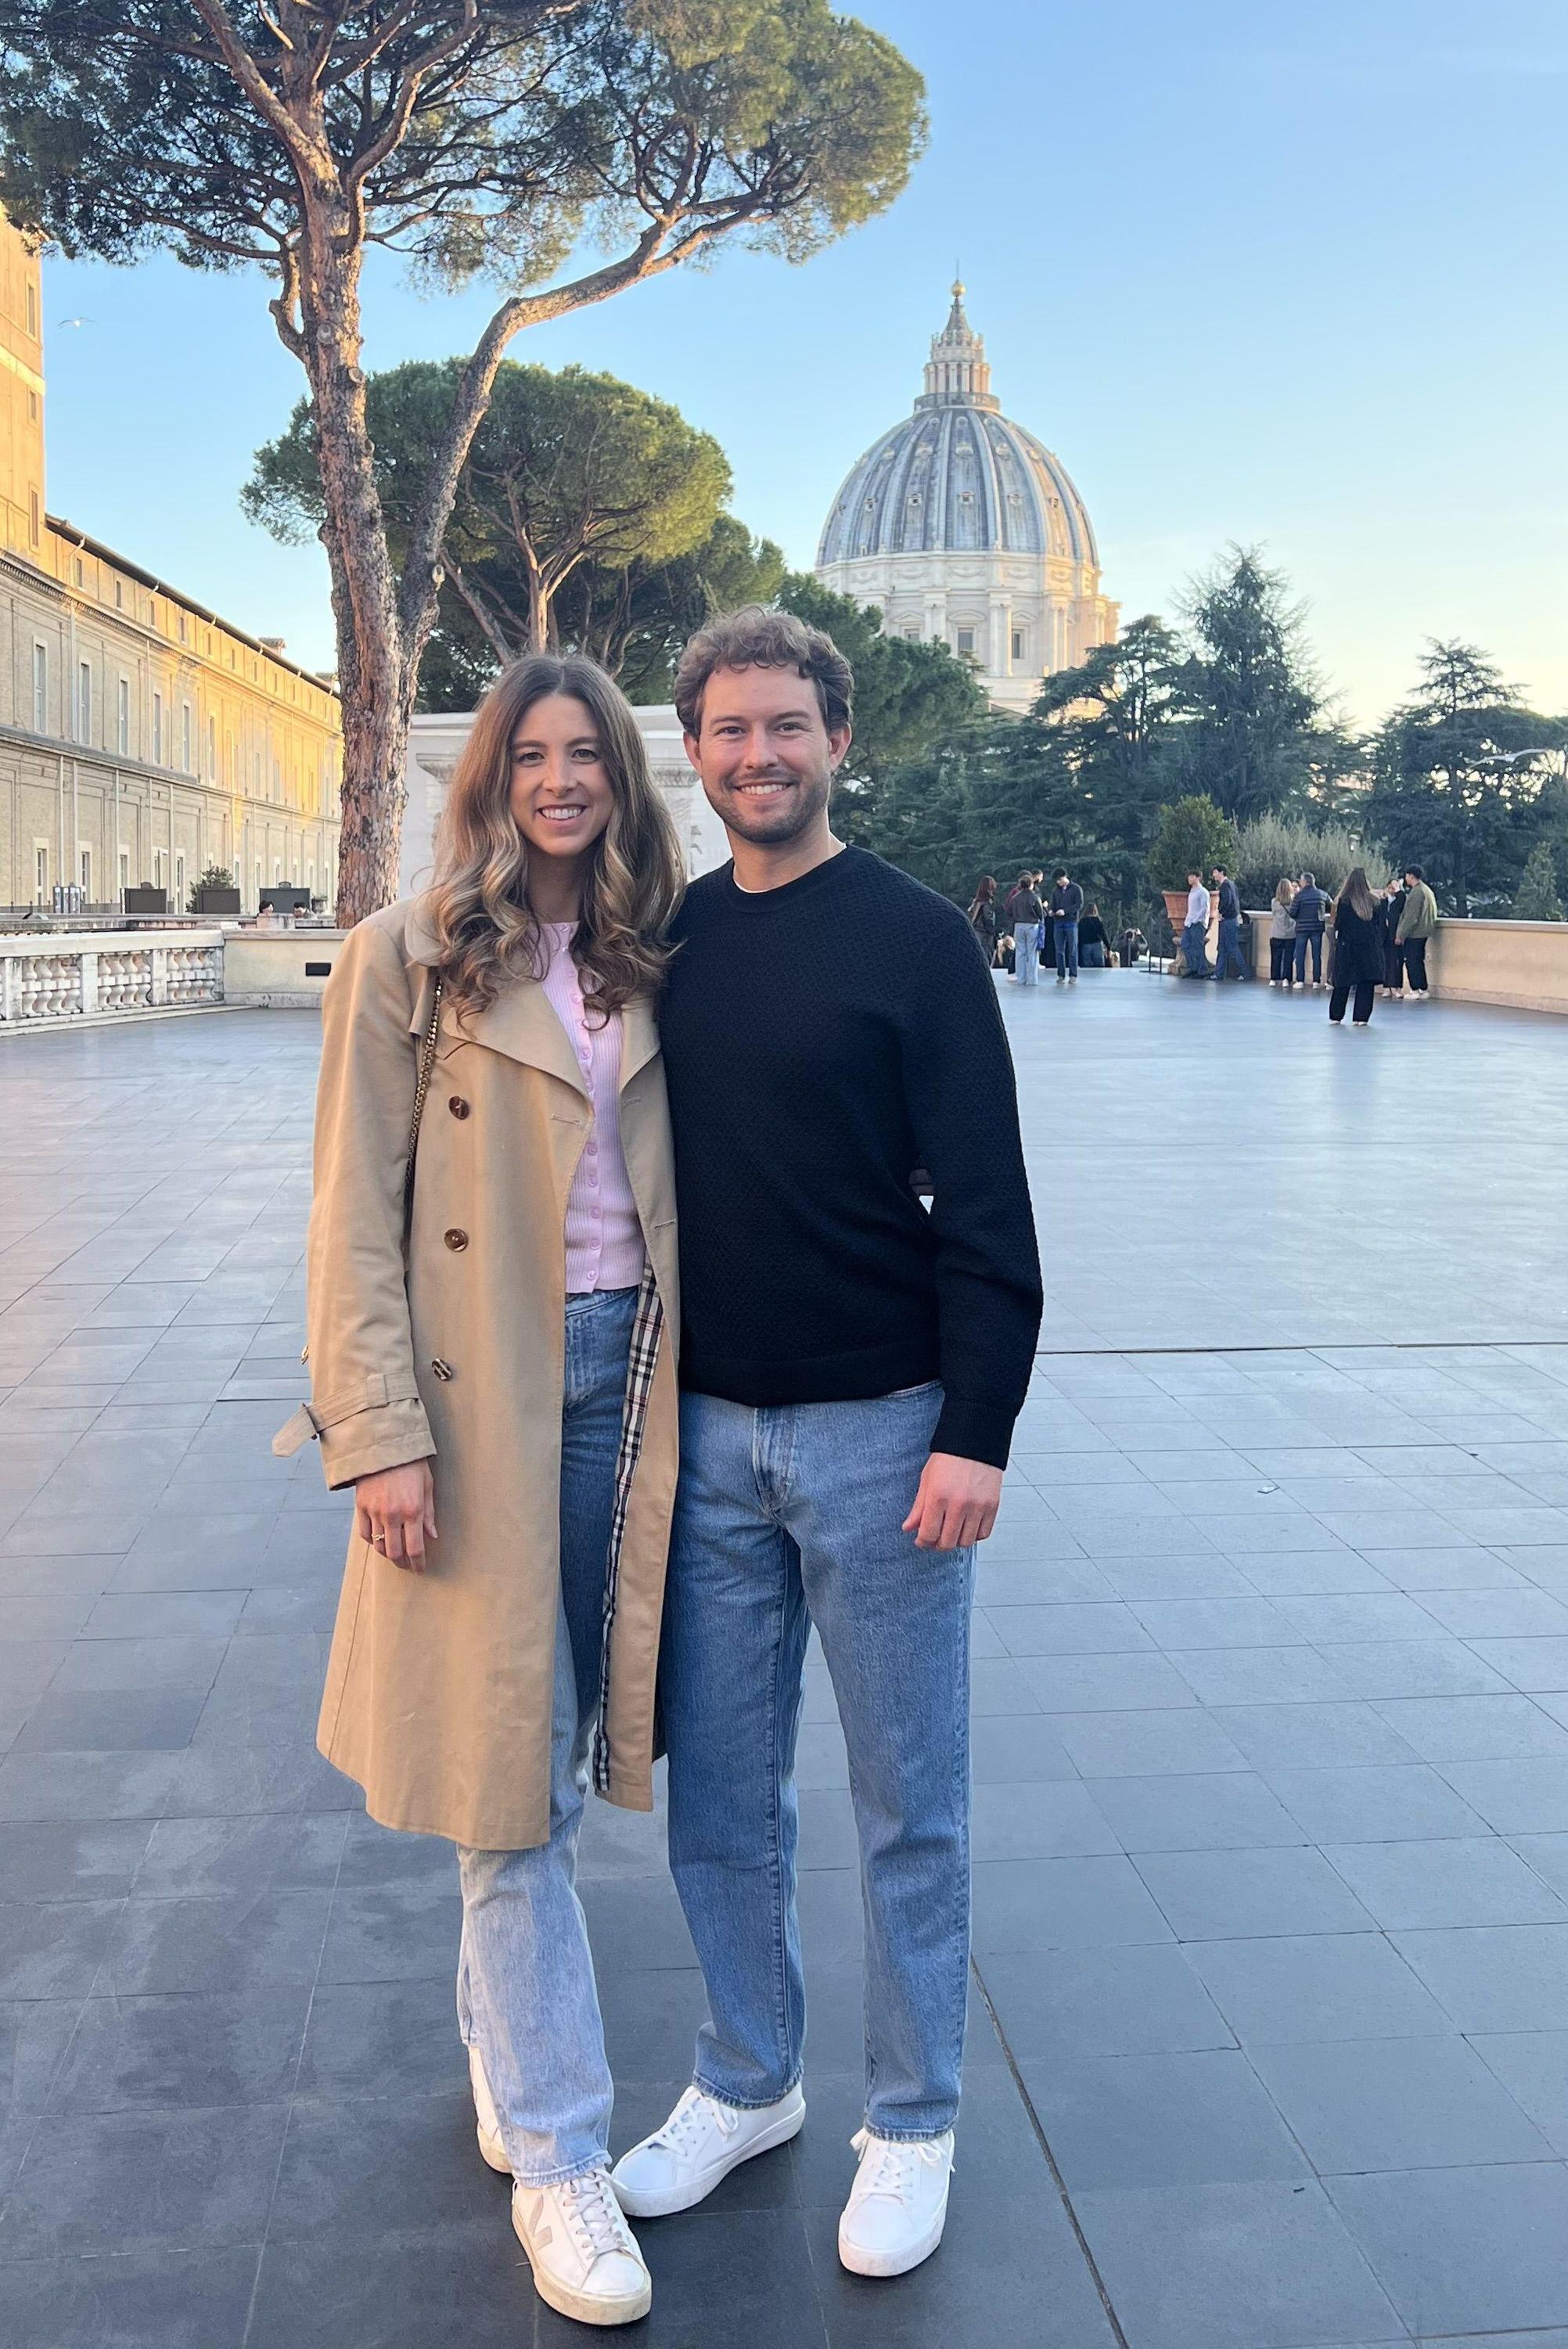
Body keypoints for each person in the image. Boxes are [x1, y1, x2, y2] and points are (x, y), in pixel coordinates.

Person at [618, 607, 1041, 2282]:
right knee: (720, 1796)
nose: (758, 754)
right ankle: (747, 2076)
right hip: (707, 1437)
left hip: (885, 1433)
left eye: (785, 725)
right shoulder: (667, 939)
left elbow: (988, 1204)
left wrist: (973, 1430)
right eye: (728, 729)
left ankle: (912, 2115)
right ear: (693, 751)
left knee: (905, 1797)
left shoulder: (917, 941)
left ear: (836, 740)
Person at [286, 653, 683, 2328]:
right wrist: (377, 1431)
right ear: (490, 777)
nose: (560, 778)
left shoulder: (660, 954)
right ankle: (558, 2148)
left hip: (640, 1383)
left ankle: (505, 2062)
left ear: (620, 779)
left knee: (561, 1752)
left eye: (586, 752)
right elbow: (347, 1217)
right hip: (477, 1393)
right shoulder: (410, 954)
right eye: (530, 753)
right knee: (506, 1780)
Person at [1328, 865, 1385, 1026]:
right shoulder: (1374, 901)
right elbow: (1378, 925)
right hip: (1369, 947)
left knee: (1342, 983)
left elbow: (1339, 925)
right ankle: (1361, 1017)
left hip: (1348, 947)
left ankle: (1336, 1015)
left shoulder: (1344, 901)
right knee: (1366, 983)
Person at [1394, 865, 1438, 995]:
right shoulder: (1426, 890)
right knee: (1418, 961)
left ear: (1411, 876)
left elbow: (1411, 917)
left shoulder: (1416, 893)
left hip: (1415, 933)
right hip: (1424, 932)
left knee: (1412, 962)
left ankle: (1415, 990)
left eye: (1407, 876)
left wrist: (1401, 935)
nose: (1405, 878)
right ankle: (1423, 989)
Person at [1002, 871, 1043, 985]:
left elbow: (1009, 911)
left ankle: (1021, 978)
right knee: (1032, 953)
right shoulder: (1035, 897)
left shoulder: (1015, 898)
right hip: (1032, 926)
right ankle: (1032, 980)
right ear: (1031, 884)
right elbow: (1040, 914)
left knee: (1020, 952)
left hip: (1018, 925)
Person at [1207, 865, 1247, 981]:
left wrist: (1221, 912)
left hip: (1227, 920)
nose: (1214, 875)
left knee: (1230, 947)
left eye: (1215, 872)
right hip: (1232, 919)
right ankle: (1219, 973)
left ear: (1222, 873)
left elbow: (1227, 901)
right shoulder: (1231, 884)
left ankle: (1244, 972)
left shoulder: (1225, 886)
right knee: (1224, 947)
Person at [1290, 872, 1327, 987]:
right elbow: (1332, 905)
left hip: (1302, 928)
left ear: (1305, 882)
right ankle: (1316, 981)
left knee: (1300, 955)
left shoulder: (1299, 896)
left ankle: (1300, 980)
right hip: (1317, 928)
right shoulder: (1322, 894)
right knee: (1316, 956)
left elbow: (1292, 912)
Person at [1049, 868, 1084, 984]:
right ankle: (1061, 974)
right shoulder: (1056, 891)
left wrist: (1066, 911)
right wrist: (1051, 910)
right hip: (1058, 923)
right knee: (1059, 950)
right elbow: (1053, 904)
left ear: (1065, 877)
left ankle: (1073, 974)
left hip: (1071, 922)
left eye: (1060, 880)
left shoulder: (1076, 889)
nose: (1058, 882)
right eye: (1057, 881)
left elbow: (1079, 905)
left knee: (1072, 949)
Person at [1373, 873, 1405, 1000]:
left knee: (1397, 962)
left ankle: (1397, 987)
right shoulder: (1383, 902)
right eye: (1390, 887)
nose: (1391, 890)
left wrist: (1398, 888)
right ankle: (1386, 987)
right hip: (1384, 936)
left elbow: (1402, 897)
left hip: (1396, 935)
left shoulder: (1400, 900)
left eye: (1394, 888)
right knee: (1385, 962)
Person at [1181, 870, 1213, 979]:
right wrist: (1188, 920)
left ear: (1198, 878)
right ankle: (1193, 968)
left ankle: (1202, 970)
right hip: (1189, 923)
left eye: (1192, 876)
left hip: (1198, 923)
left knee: (1198, 947)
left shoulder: (1203, 892)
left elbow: (1205, 908)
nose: (1189, 879)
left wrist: (1196, 919)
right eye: (1189, 877)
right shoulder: (1192, 891)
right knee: (1185, 944)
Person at [966, 876, 1000, 969]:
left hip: (976, 929)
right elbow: (988, 917)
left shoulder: (976, 901)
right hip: (985, 931)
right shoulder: (987, 902)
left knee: (978, 952)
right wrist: (994, 929)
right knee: (986, 953)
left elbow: (970, 914)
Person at [1268, 878, 1296, 986]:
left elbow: (1274, 915)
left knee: (1275, 957)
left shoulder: (1274, 902)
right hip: (1290, 934)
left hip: (1276, 933)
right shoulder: (1293, 902)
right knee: (1288, 958)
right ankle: (1286, 979)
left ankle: (1273, 979)